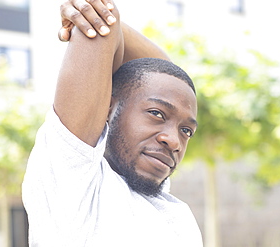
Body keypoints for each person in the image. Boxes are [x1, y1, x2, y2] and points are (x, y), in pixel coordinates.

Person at [22, 0, 203, 246]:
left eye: (186, 130)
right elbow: (99, 32)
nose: (174, 141)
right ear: (107, 108)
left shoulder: (163, 202)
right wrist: (104, 17)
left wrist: (115, 26)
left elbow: (164, 72)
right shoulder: (74, 180)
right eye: (157, 114)